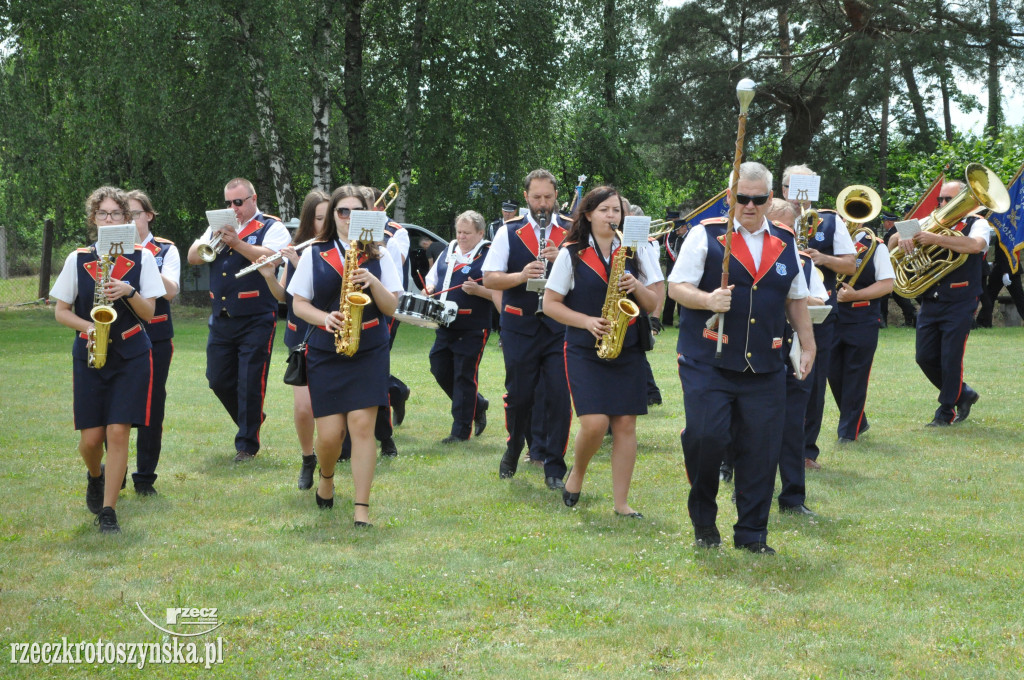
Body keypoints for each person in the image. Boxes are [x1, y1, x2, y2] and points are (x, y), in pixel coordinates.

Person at [669, 162, 816, 554]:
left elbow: (796, 298)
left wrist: (808, 342)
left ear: (770, 199)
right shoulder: (706, 235)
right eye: (741, 198)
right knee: (707, 437)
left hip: (766, 365)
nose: (749, 206)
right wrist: (706, 299)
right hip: (708, 358)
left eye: (758, 199)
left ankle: (752, 535)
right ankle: (703, 519)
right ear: (730, 197)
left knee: (761, 448)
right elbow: (676, 287)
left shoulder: (785, 240)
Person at [287, 185, 405, 527]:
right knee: (329, 436)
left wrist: (373, 281)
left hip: (370, 348)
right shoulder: (315, 252)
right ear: (333, 215)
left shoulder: (381, 255)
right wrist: (325, 319)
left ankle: (361, 509)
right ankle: (326, 478)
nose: (348, 218)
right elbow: (298, 304)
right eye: (342, 211)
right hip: (326, 350)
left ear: (366, 215)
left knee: (362, 425)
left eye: (356, 211)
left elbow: (392, 307)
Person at [50, 186, 167, 533]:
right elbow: (61, 311)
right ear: (94, 219)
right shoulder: (79, 259)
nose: (110, 219)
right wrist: (89, 327)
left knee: (118, 433)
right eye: (103, 213)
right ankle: (95, 474)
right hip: (90, 353)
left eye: (117, 213)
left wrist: (128, 291)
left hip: (131, 354)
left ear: (127, 219)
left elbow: (150, 313)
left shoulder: (141, 258)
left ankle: (109, 512)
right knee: (90, 440)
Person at [542, 186, 662, 517]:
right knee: (594, 423)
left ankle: (621, 504)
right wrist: (586, 322)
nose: (612, 216)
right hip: (584, 347)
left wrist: (635, 286)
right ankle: (577, 473)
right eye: (605, 210)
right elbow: (550, 305)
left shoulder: (637, 250)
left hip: (628, 347)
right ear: (589, 214)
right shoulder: (571, 253)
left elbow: (654, 304)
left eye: (616, 211)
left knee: (625, 425)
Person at [186, 178, 290, 462]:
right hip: (221, 316)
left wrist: (237, 242)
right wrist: (214, 238)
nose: (234, 208)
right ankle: (253, 418)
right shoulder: (217, 225)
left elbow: (272, 258)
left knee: (249, 381)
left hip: (256, 316)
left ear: (253, 199)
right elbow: (193, 257)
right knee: (217, 380)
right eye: (229, 203)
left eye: (239, 202)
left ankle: (246, 445)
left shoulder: (271, 226)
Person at [483, 168, 572, 490]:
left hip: (559, 325)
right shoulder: (510, 232)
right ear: (526, 197)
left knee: (560, 397)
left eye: (548, 197)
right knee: (519, 396)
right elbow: (490, 278)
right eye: (536, 197)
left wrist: (564, 258)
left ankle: (554, 465)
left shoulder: (573, 232)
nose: (543, 204)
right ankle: (514, 446)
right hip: (519, 322)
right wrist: (521, 276)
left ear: (556, 197)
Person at [888, 179, 990, 426]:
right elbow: (890, 243)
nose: (942, 203)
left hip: (961, 299)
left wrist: (935, 239)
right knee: (924, 357)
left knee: (951, 357)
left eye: (948, 199)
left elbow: (974, 246)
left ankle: (946, 411)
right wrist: (901, 240)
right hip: (931, 299)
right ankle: (963, 393)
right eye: (941, 199)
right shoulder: (927, 222)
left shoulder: (978, 223)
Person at [781, 165, 857, 470]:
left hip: (818, 311)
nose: (798, 195)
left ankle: (806, 451)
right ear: (784, 189)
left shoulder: (829, 220)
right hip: (776, 310)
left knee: (812, 382)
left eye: (806, 187)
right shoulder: (771, 216)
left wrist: (821, 258)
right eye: (793, 186)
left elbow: (850, 265)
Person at [255, 190, 330, 489]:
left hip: (330, 331)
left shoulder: (340, 250)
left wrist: (299, 263)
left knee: (330, 408)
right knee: (303, 408)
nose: (323, 225)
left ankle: (329, 463)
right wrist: (269, 276)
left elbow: (326, 293)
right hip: (301, 336)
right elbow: (285, 297)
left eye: (328, 218)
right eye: (318, 219)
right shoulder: (298, 248)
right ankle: (307, 457)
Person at [765, 199, 828, 516]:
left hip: (793, 349)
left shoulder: (802, 261)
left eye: (791, 226)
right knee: (754, 426)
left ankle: (793, 498)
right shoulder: (746, 256)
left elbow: (819, 299)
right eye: (782, 226)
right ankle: (747, 491)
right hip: (759, 348)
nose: (788, 232)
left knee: (793, 427)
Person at [125, 190, 180, 496]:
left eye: (134, 214)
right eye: (124, 214)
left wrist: (143, 266)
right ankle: (115, 471)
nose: (129, 220)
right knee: (116, 404)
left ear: (148, 215)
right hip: (119, 334)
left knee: (152, 405)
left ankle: (144, 477)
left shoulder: (165, 249)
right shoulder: (112, 249)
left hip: (156, 336)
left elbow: (170, 292)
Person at [424, 210, 494, 443]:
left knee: (464, 375)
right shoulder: (449, 249)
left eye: (467, 233)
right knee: (438, 367)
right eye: (459, 232)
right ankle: (478, 404)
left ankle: (460, 432)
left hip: (473, 325)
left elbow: (502, 293)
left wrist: (479, 291)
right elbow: (432, 277)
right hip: (444, 323)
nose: (462, 236)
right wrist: (430, 288)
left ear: (480, 233)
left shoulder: (490, 254)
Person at [829, 225, 895, 442]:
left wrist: (856, 295)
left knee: (855, 376)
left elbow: (887, 285)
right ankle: (859, 420)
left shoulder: (875, 246)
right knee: (834, 374)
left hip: (862, 317)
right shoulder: (828, 242)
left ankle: (848, 432)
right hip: (831, 317)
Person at [370, 186, 411, 456]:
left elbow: (399, 264)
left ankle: (385, 437)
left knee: (375, 370)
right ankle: (397, 391)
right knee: (373, 373)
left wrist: (378, 242)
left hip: (385, 308)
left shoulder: (397, 232)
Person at [879, 212, 918, 327]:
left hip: (898, 266)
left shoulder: (892, 234)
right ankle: (911, 316)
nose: (884, 224)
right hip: (905, 265)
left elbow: (888, 253)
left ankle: (885, 320)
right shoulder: (900, 231)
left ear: (888, 222)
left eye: (884, 222)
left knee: (895, 293)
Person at [976, 239, 1024, 327]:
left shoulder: (1005, 234)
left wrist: (1005, 272)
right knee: (990, 296)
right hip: (1004, 269)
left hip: (1008, 269)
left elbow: (1003, 253)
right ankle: (983, 321)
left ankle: (983, 321)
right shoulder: (1011, 234)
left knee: (1019, 298)